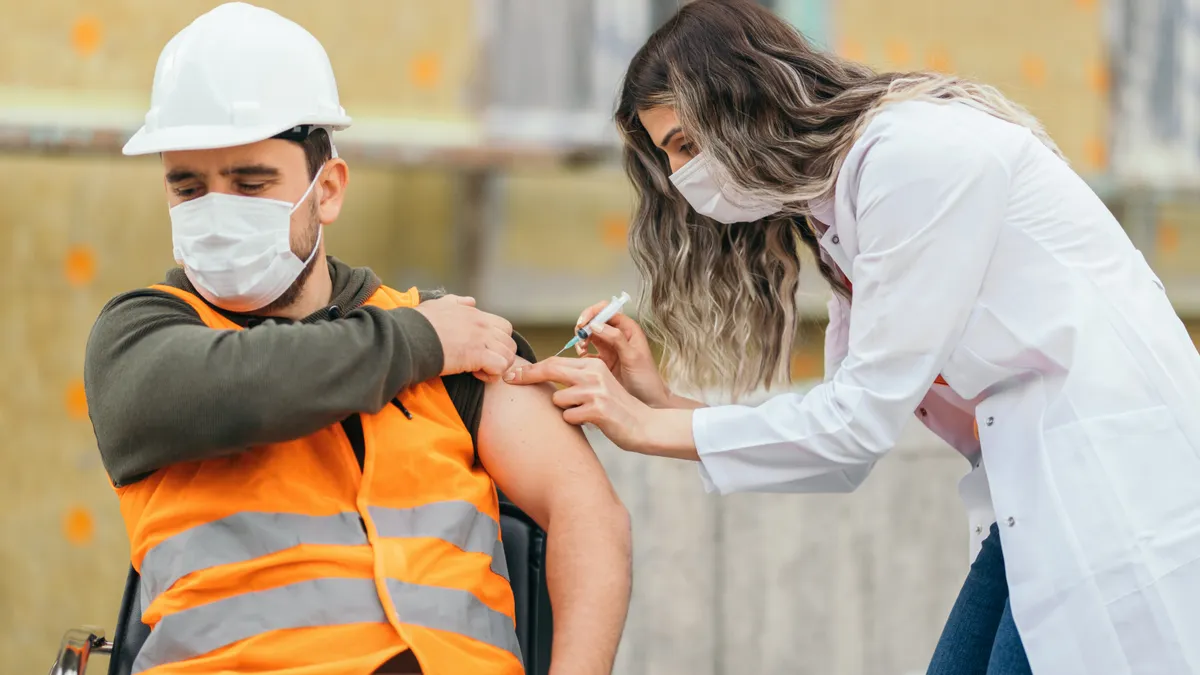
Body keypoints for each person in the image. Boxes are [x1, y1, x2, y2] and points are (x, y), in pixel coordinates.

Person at [504, 1, 1200, 673]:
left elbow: (854, 426)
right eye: (670, 156)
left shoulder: (911, 159)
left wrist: (640, 426)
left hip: (1107, 484)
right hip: (1039, 492)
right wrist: (655, 400)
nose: (685, 175)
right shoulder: (840, 206)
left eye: (687, 142)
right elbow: (836, 439)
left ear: (744, 99)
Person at [84, 4, 631, 674]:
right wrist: (419, 342)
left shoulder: (453, 335)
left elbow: (586, 512)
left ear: (328, 190)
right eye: (188, 187)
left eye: (251, 183)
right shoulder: (141, 336)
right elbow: (242, 387)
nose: (217, 210)